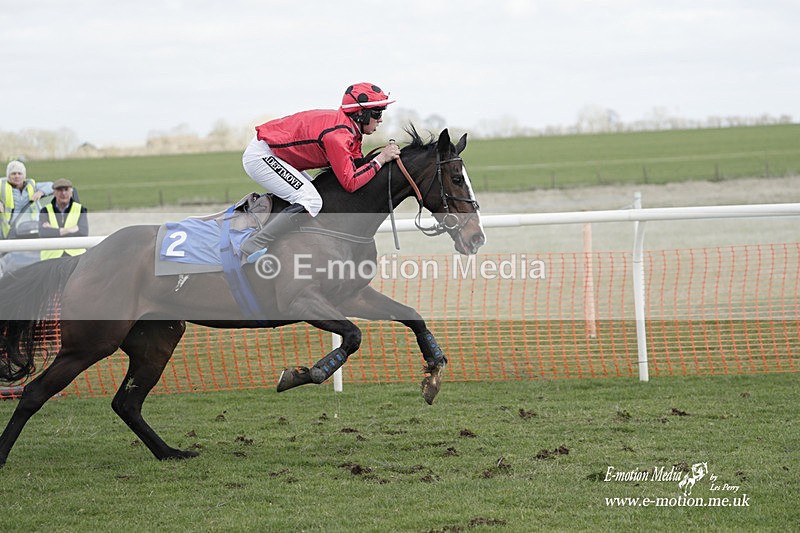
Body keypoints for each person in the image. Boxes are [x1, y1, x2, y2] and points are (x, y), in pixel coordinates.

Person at [240, 82, 401, 262]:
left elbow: (357, 168)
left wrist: (382, 162)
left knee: (316, 197)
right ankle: (255, 243)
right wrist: (380, 159)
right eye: (377, 113)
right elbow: (351, 182)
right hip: (262, 156)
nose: (380, 120)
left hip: (279, 155)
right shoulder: (338, 136)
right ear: (360, 114)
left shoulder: (351, 131)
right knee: (311, 201)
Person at [1, 160, 53, 239]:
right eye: (13, 174)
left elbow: (52, 186)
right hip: (9, 230)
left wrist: (41, 192)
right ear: (8, 176)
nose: (17, 176)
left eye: (19, 173)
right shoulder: (2, 186)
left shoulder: (31, 186)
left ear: (24, 176)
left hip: (30, 228)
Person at [38, 178, 88, 260]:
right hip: (51, 259)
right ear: (54, 193)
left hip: (76, 257)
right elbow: (43, 233)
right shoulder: (45, 210)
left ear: (71, 192)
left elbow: (83, 232)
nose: (63, 193)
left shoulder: (80, 209)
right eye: (60, 190)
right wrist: (70, 230)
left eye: (66, 190)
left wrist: (54, 231)